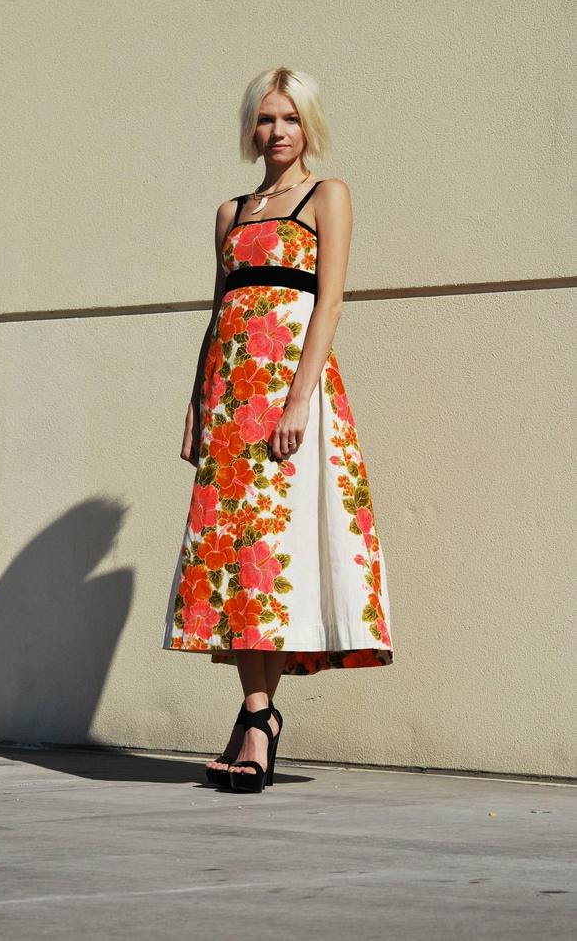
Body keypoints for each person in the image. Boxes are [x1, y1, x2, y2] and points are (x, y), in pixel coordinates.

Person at [162, 66, 393, 794]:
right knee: (237, 558)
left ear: (308, 126)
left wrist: (299, 401)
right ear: (251, 128)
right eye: (265, 119)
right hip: (231, 400)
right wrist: (198, 403)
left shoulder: (329, 197)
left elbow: (329, 304)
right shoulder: (231, 212)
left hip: (289, 394)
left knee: (273, 552)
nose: (276, 132)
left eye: (289, 119)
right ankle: (257, 715)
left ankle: (257, 724)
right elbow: (218, 313)